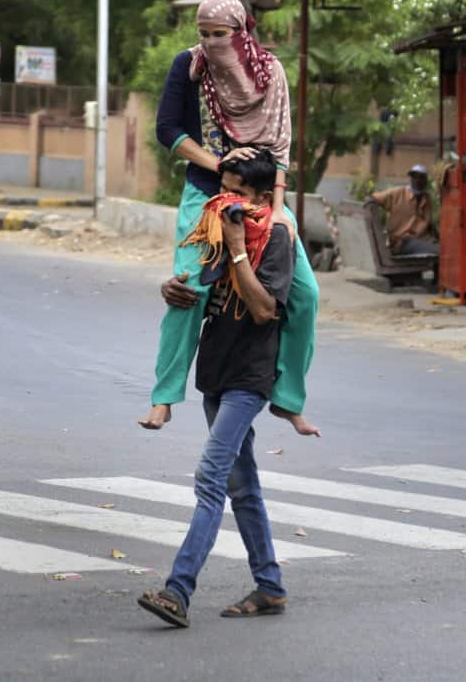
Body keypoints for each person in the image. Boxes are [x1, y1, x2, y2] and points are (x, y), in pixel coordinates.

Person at [138, 0, 319, 437]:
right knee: (189, 290)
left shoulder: (270, 72)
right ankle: (163, 397)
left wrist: (277, 212)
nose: (211, 43)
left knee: (305, 295)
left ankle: (288, 398)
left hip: (264, 197)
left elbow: (279, 150)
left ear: (241, 33)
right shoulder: (190, 66)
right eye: (204, 34)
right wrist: (218, 165)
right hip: (206, 192)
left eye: (220, 35)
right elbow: (168, 130)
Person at [138, 151, 292, 628]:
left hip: (249, 377)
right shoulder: (216, 227)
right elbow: (200, 289)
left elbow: (265, 309)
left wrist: (239, 246)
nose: (228, 202)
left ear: (263, 198)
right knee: (241, 486)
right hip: (216, 374)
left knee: (210, 480)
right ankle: (270, 586)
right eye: (223, 190)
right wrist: (173, 289)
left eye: (239, 194)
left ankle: (177, 590)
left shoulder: (275, 237)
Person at [369, 164, 438, 256]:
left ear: (425, 180)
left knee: (446, 250)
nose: (417, 180)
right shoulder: (398, 193)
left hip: (422, 239)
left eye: (420, 177)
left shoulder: (426, 198)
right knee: (440, 251)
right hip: (403, 242)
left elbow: (428, 222)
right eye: (414, 177)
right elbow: (373, 198)